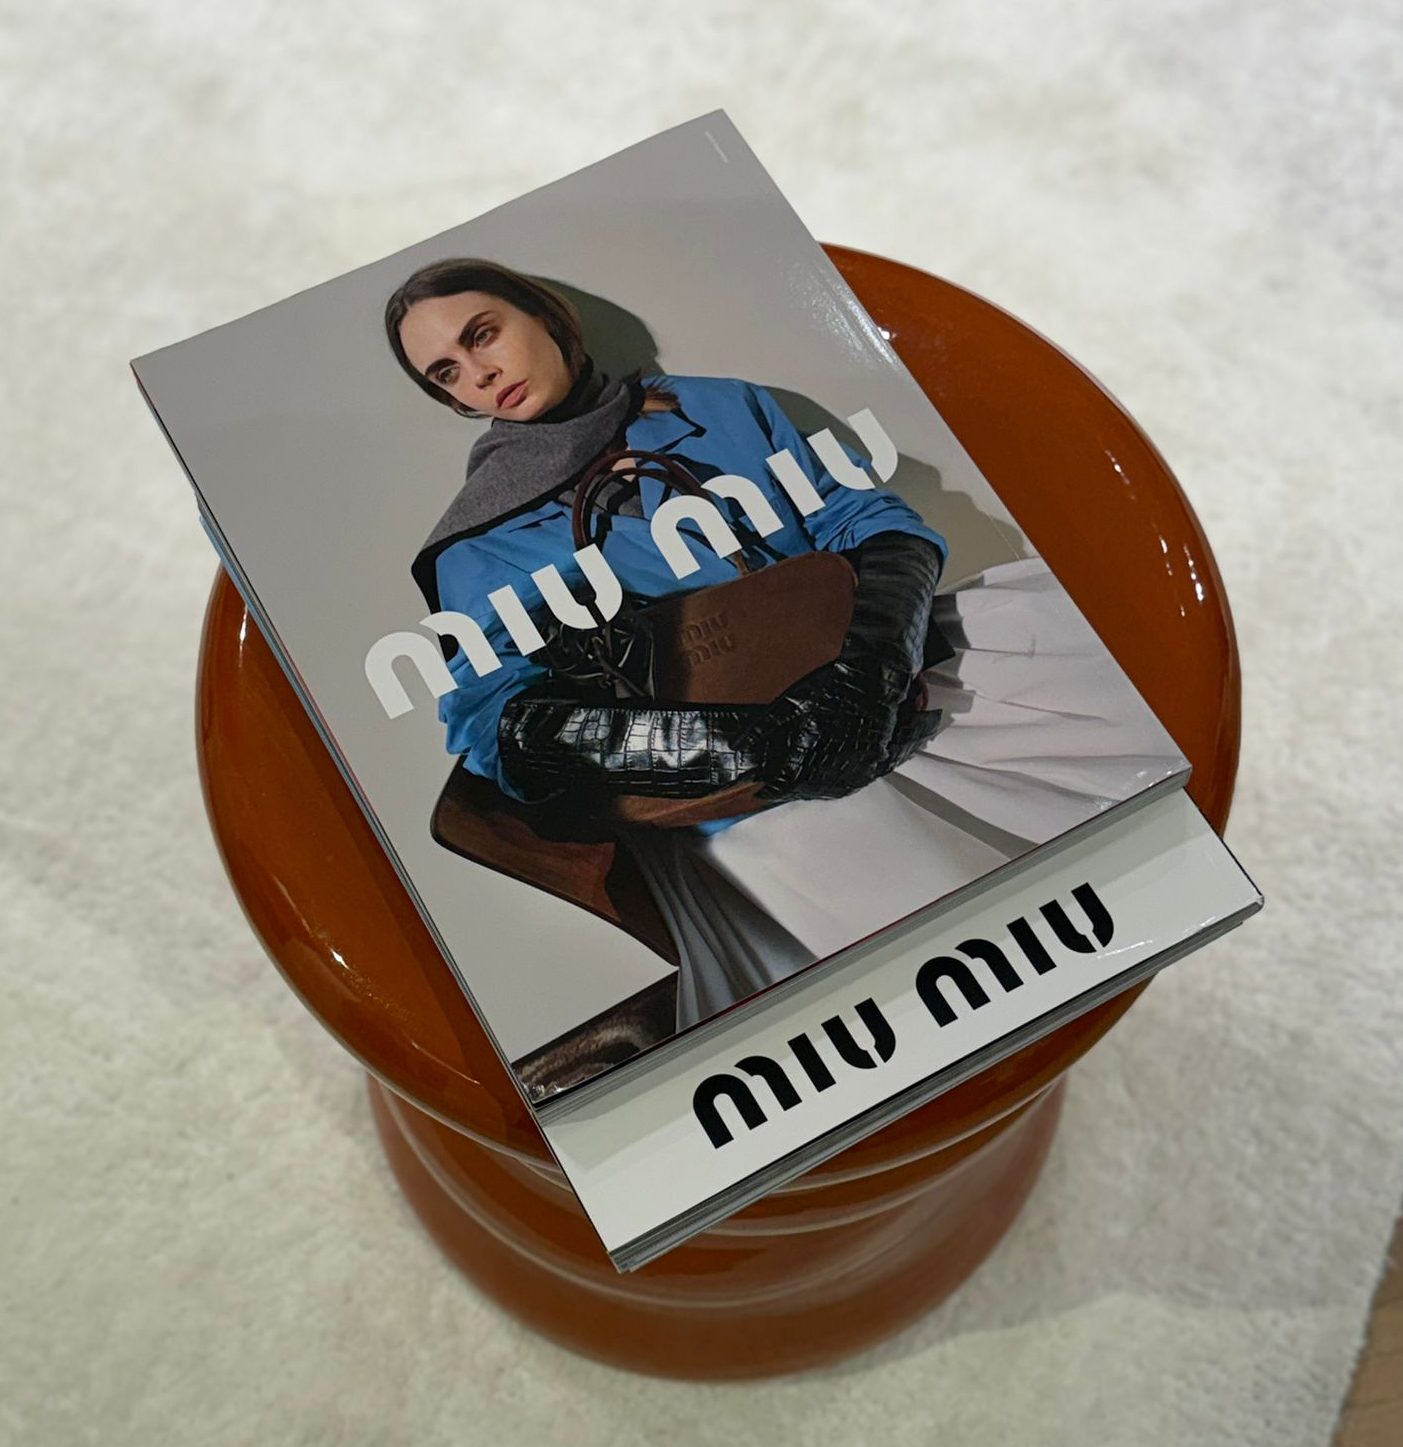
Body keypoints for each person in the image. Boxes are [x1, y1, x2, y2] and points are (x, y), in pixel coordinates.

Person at [386, 259, 1182, 1034]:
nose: (480, 375)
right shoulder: (477, 544)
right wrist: (759, 747)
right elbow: (496, 725)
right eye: (447, 374)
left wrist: (868, 676)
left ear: (545, 315)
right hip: (737, 792)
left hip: (867, 677)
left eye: (482, 334)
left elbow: (867, 519)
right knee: (948, 946)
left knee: (1084, 638)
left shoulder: (716, 406)